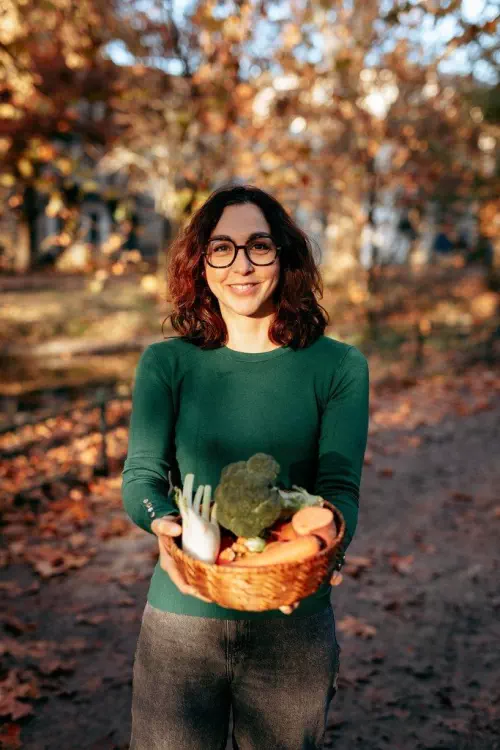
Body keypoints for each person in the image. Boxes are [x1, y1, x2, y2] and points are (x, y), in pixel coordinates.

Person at [122, 184, 370, 749]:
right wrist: (164, 521)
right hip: (181, 617)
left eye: (259, 246)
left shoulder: (338, 367)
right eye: (222, 248)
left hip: (292, 623)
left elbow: (340, 489)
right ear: (201, 264)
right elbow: (140, 477)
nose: (241, 264)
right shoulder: (167, 363)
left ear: (284, 257)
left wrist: (326, 538)